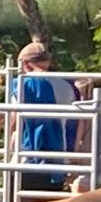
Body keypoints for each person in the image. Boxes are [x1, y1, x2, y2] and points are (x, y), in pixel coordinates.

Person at [14, 41, 73, 194]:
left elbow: (13, 122)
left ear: (25, 64)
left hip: (27, 157)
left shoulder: (22, 85)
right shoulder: (66, 86)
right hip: (58, 159)